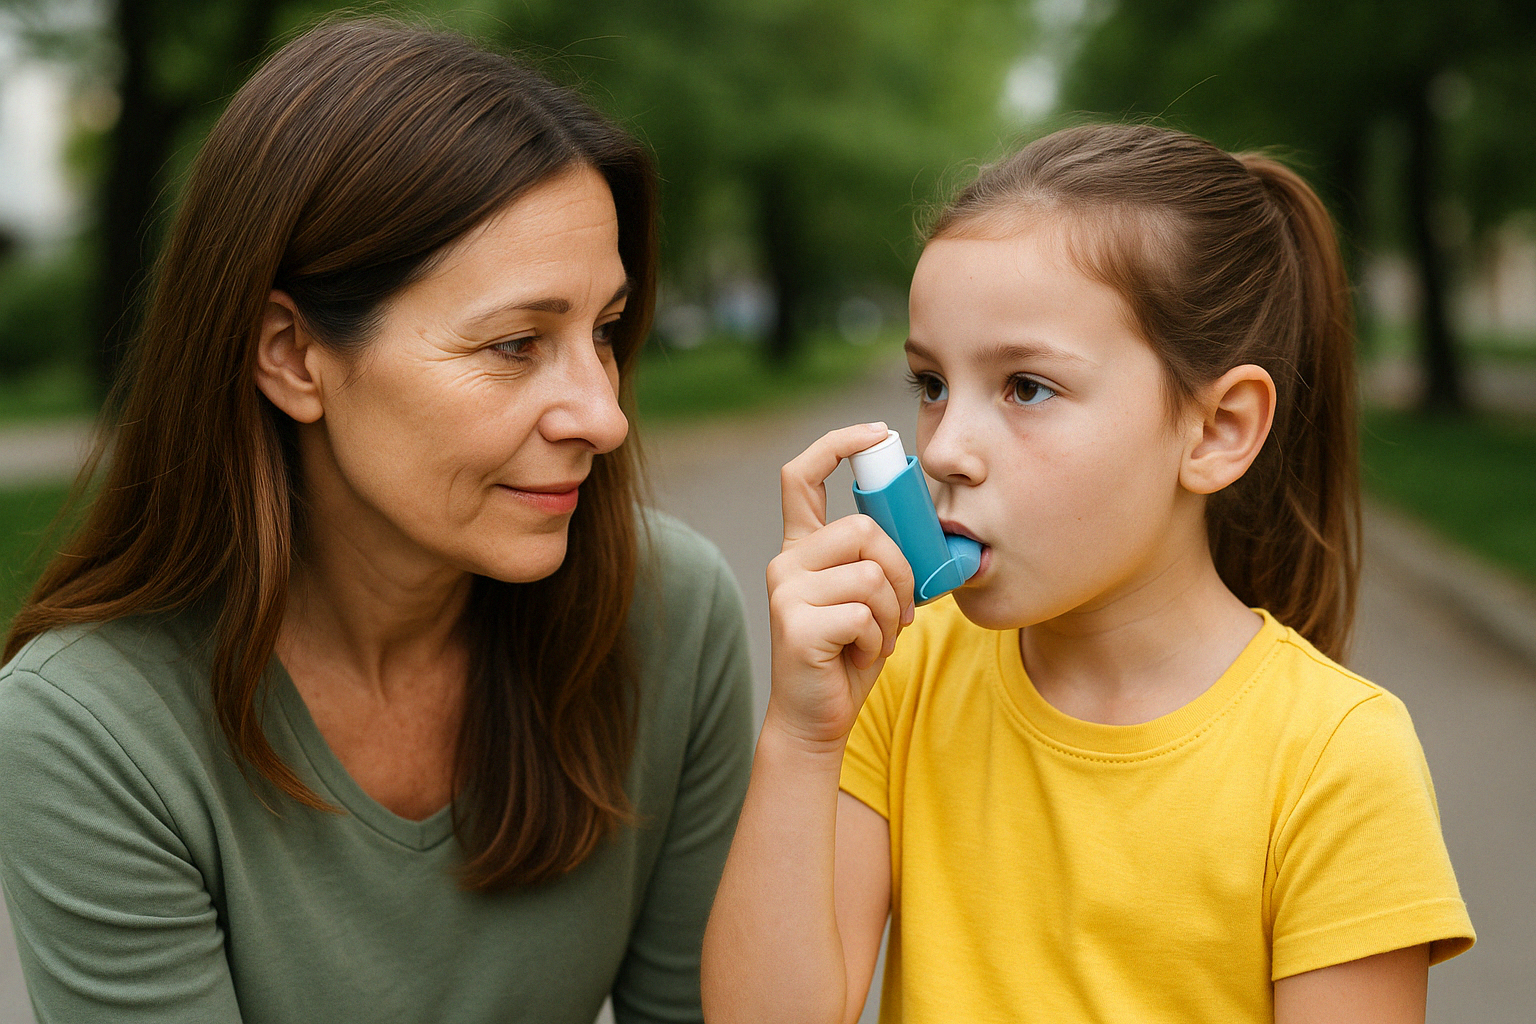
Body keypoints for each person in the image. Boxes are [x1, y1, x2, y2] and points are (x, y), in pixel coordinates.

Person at [0, 19, 753, 1024]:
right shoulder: (91, 732)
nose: (604, 417)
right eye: (516, 344)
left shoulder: (666, 614)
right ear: (291, 355)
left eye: (606, 331)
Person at [702, 123, 1474, 1023]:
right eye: (931, 385)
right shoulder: (902, 674)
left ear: (1217, 430)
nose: (943, 450)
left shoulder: (1336, 760)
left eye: (1026, 387)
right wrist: (802, 739)